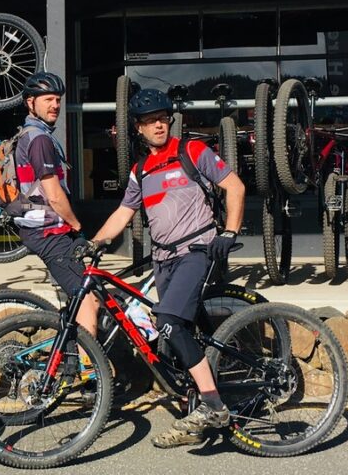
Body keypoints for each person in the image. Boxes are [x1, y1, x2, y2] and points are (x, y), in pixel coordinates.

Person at [91, 87, 245, 449]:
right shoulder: (140, 170)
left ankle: (213, 405)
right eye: (149, 121)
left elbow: (234, 187)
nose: (158, 125)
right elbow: (123, 214)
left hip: (196, 250)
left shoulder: (193, 151)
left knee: (170, 323)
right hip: (163, 259)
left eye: (162, 118)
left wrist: (230, 231)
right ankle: (196, 395)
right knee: (172, 332)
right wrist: (94, 243)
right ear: (139, 130)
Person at [12, 71, 99, 337]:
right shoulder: (39, 139)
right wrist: (77, 227)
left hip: (44, 229)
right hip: (49, 232)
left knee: (79, 296)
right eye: (48, 99)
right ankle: (89, 371)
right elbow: (54, 196)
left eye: (58, 100)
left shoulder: (33, 134)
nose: (55, 106)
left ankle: (72, 356)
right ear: (30, 103)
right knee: (88, 300)